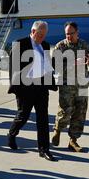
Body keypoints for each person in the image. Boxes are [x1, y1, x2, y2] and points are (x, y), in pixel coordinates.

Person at [7, 21, 58, 161]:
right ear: (33, 31)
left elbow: (47, 66)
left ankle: (44, 149)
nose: (42, 38)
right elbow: (13, 68)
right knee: (23, 116)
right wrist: (16, 88)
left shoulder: (45, 45)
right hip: (25, 87)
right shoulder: (20, 43)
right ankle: (12, 134)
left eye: (44, 35)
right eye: (39, 35)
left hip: (41, 87)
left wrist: (52, 80)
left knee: (43, 119)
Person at [52, 21, 89, 152]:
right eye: (67, 34)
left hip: (82, 85)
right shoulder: (60, 46)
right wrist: (72, 63)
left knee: (80, 113)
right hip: (67, 86)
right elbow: (55, 65)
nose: (69, 36)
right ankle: (58, 130)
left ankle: (73, 141)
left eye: (71, 33)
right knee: (65, 111)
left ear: (77, 33)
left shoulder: (84, 44)